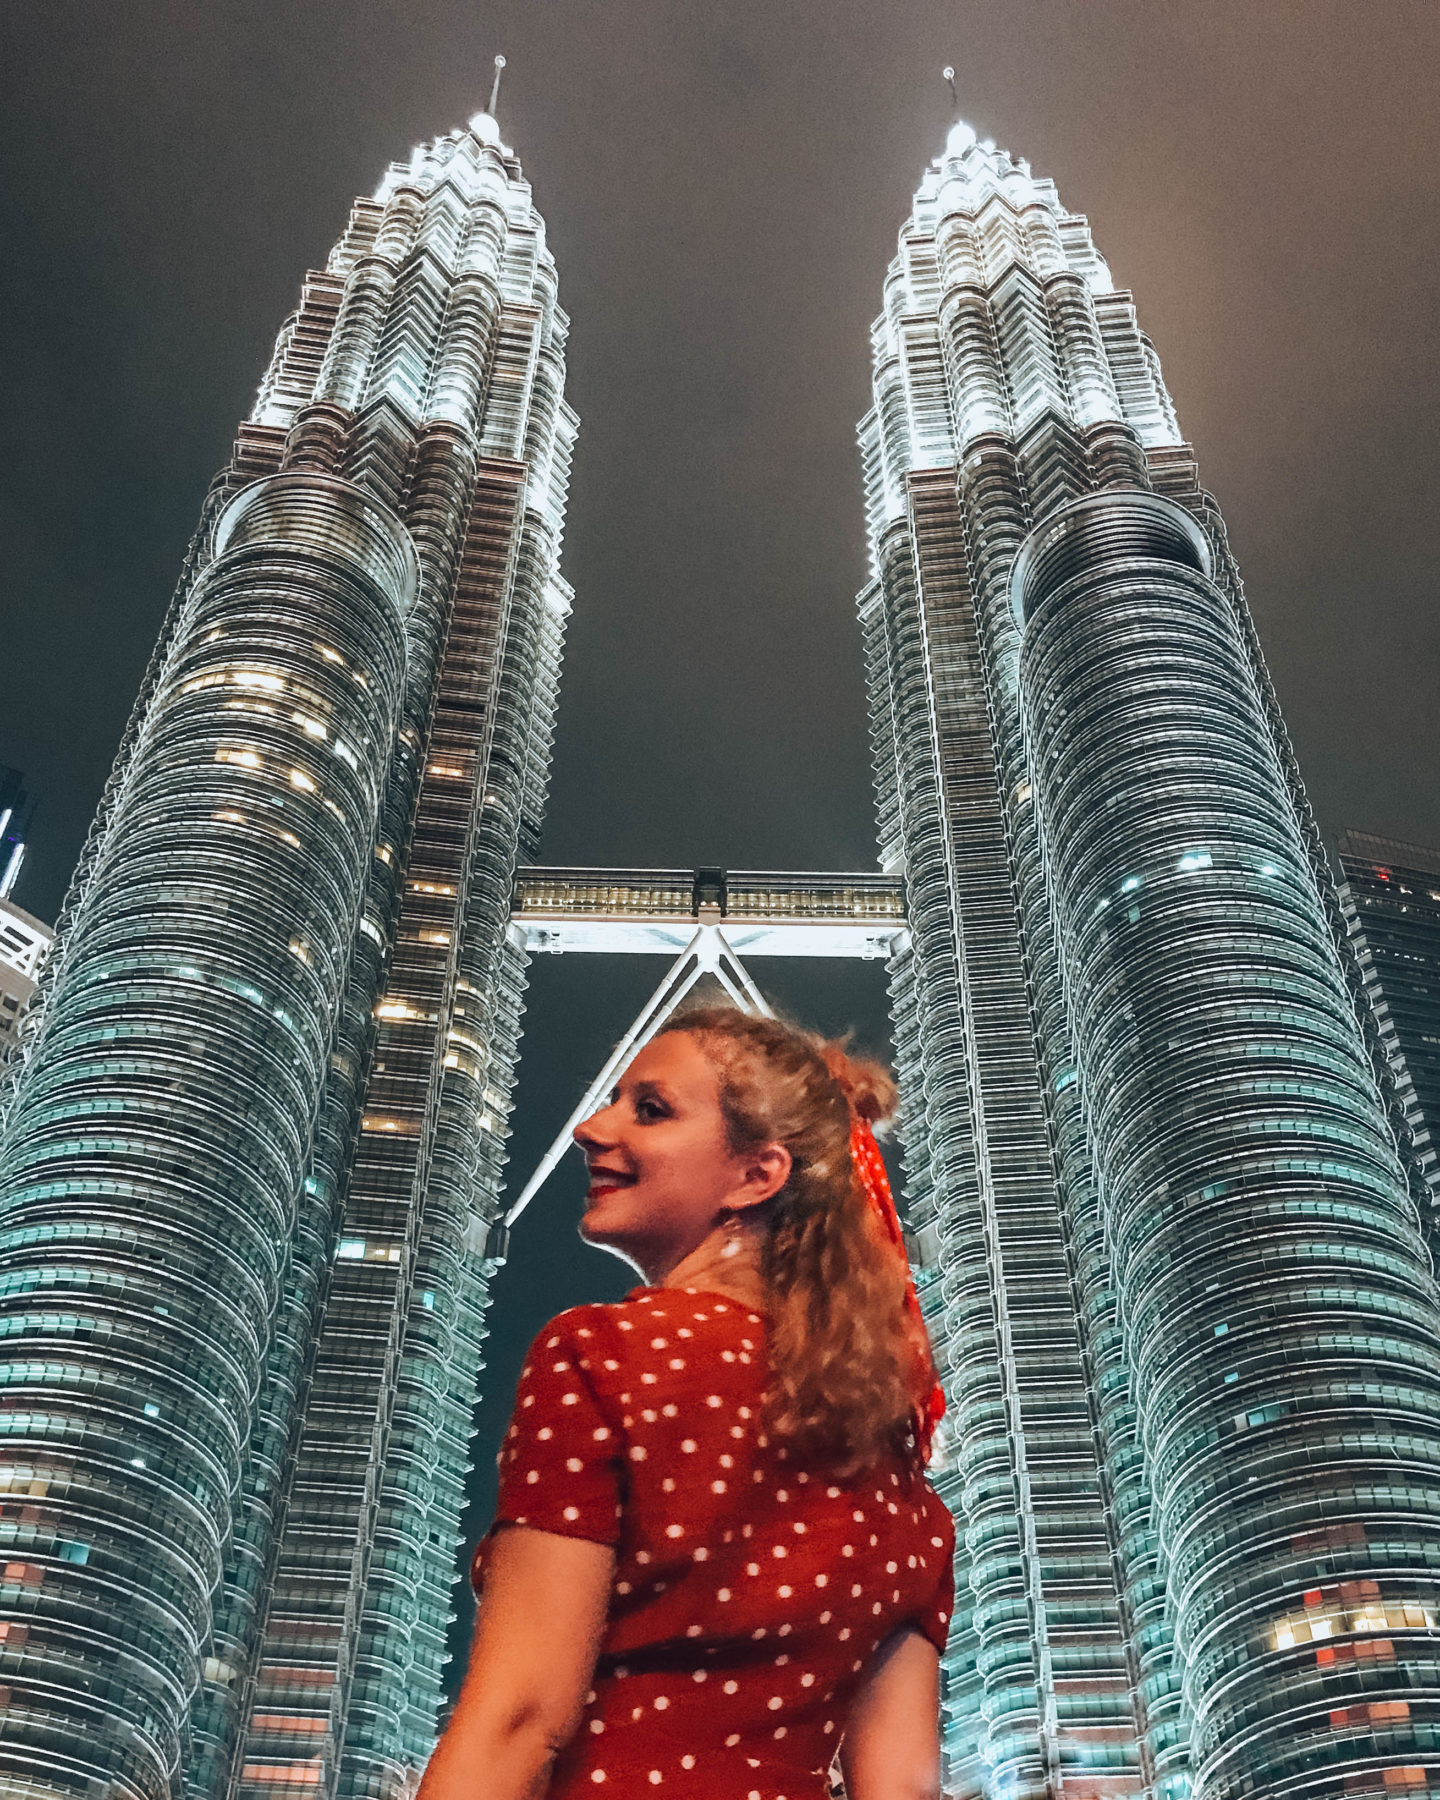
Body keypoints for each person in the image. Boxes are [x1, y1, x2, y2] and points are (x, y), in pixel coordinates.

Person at [417, 1007, 953, 1800]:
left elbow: (521, 1718)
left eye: (650, 1109)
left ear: (756, 1176)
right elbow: (903, 1786)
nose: (590, 1129)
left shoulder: (601, 1357)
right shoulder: (893, 1458)